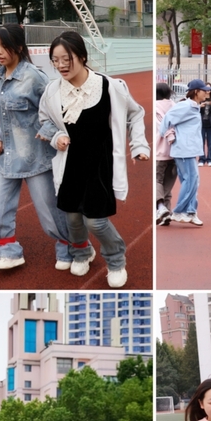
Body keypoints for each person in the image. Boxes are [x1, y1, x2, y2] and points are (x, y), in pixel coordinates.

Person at [37, 31, 150, 287]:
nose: (61, 65)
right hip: (69, 164)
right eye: (55, 60)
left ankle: (116, 259)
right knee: (72, 217)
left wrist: (139, 145)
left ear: (82, 56)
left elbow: (135, 114)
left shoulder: (110, 86)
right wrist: (56, 137)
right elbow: (44, 120)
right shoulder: (53, 91)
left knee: (96, 221)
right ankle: (81, 252)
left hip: (100, 164)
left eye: (66, 59)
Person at [0, 24, 75, 272]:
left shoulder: (35, 77)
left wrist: (50, 132)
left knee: (49, 210)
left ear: (19, 47)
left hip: (37, 156)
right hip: (8, 157)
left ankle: (69, 246)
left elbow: (56, 109)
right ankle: (9, 250)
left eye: (4, 46)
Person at [159, 78, 211, 227]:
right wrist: (169, 135)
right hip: (184, 150)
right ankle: (179, 211)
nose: (207, 93)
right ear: (196, 91)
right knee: (191, 180)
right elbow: (166, 121)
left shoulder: (194, 107)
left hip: (189, 149)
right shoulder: (185, 106)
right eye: (204, 91)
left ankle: (190, 212)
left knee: (191, 182)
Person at [155, 82, 177, 226]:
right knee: (167, 183)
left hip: (160, 150)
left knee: (157, 181)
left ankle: (161, 206)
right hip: (174, 151)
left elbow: (161, 125)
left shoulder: (156, 107)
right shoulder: (175, 106)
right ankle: (166, 214)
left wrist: (169, 135)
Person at [199, 84, 211, 166]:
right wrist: (200, 106)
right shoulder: (200, 99)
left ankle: (210, 160)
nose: (208, 90)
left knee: (210, 144)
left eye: (209, 88)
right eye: (206, 88)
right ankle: (201, 159)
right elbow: (197, 111)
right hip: (201, 124)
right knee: (201, 143)